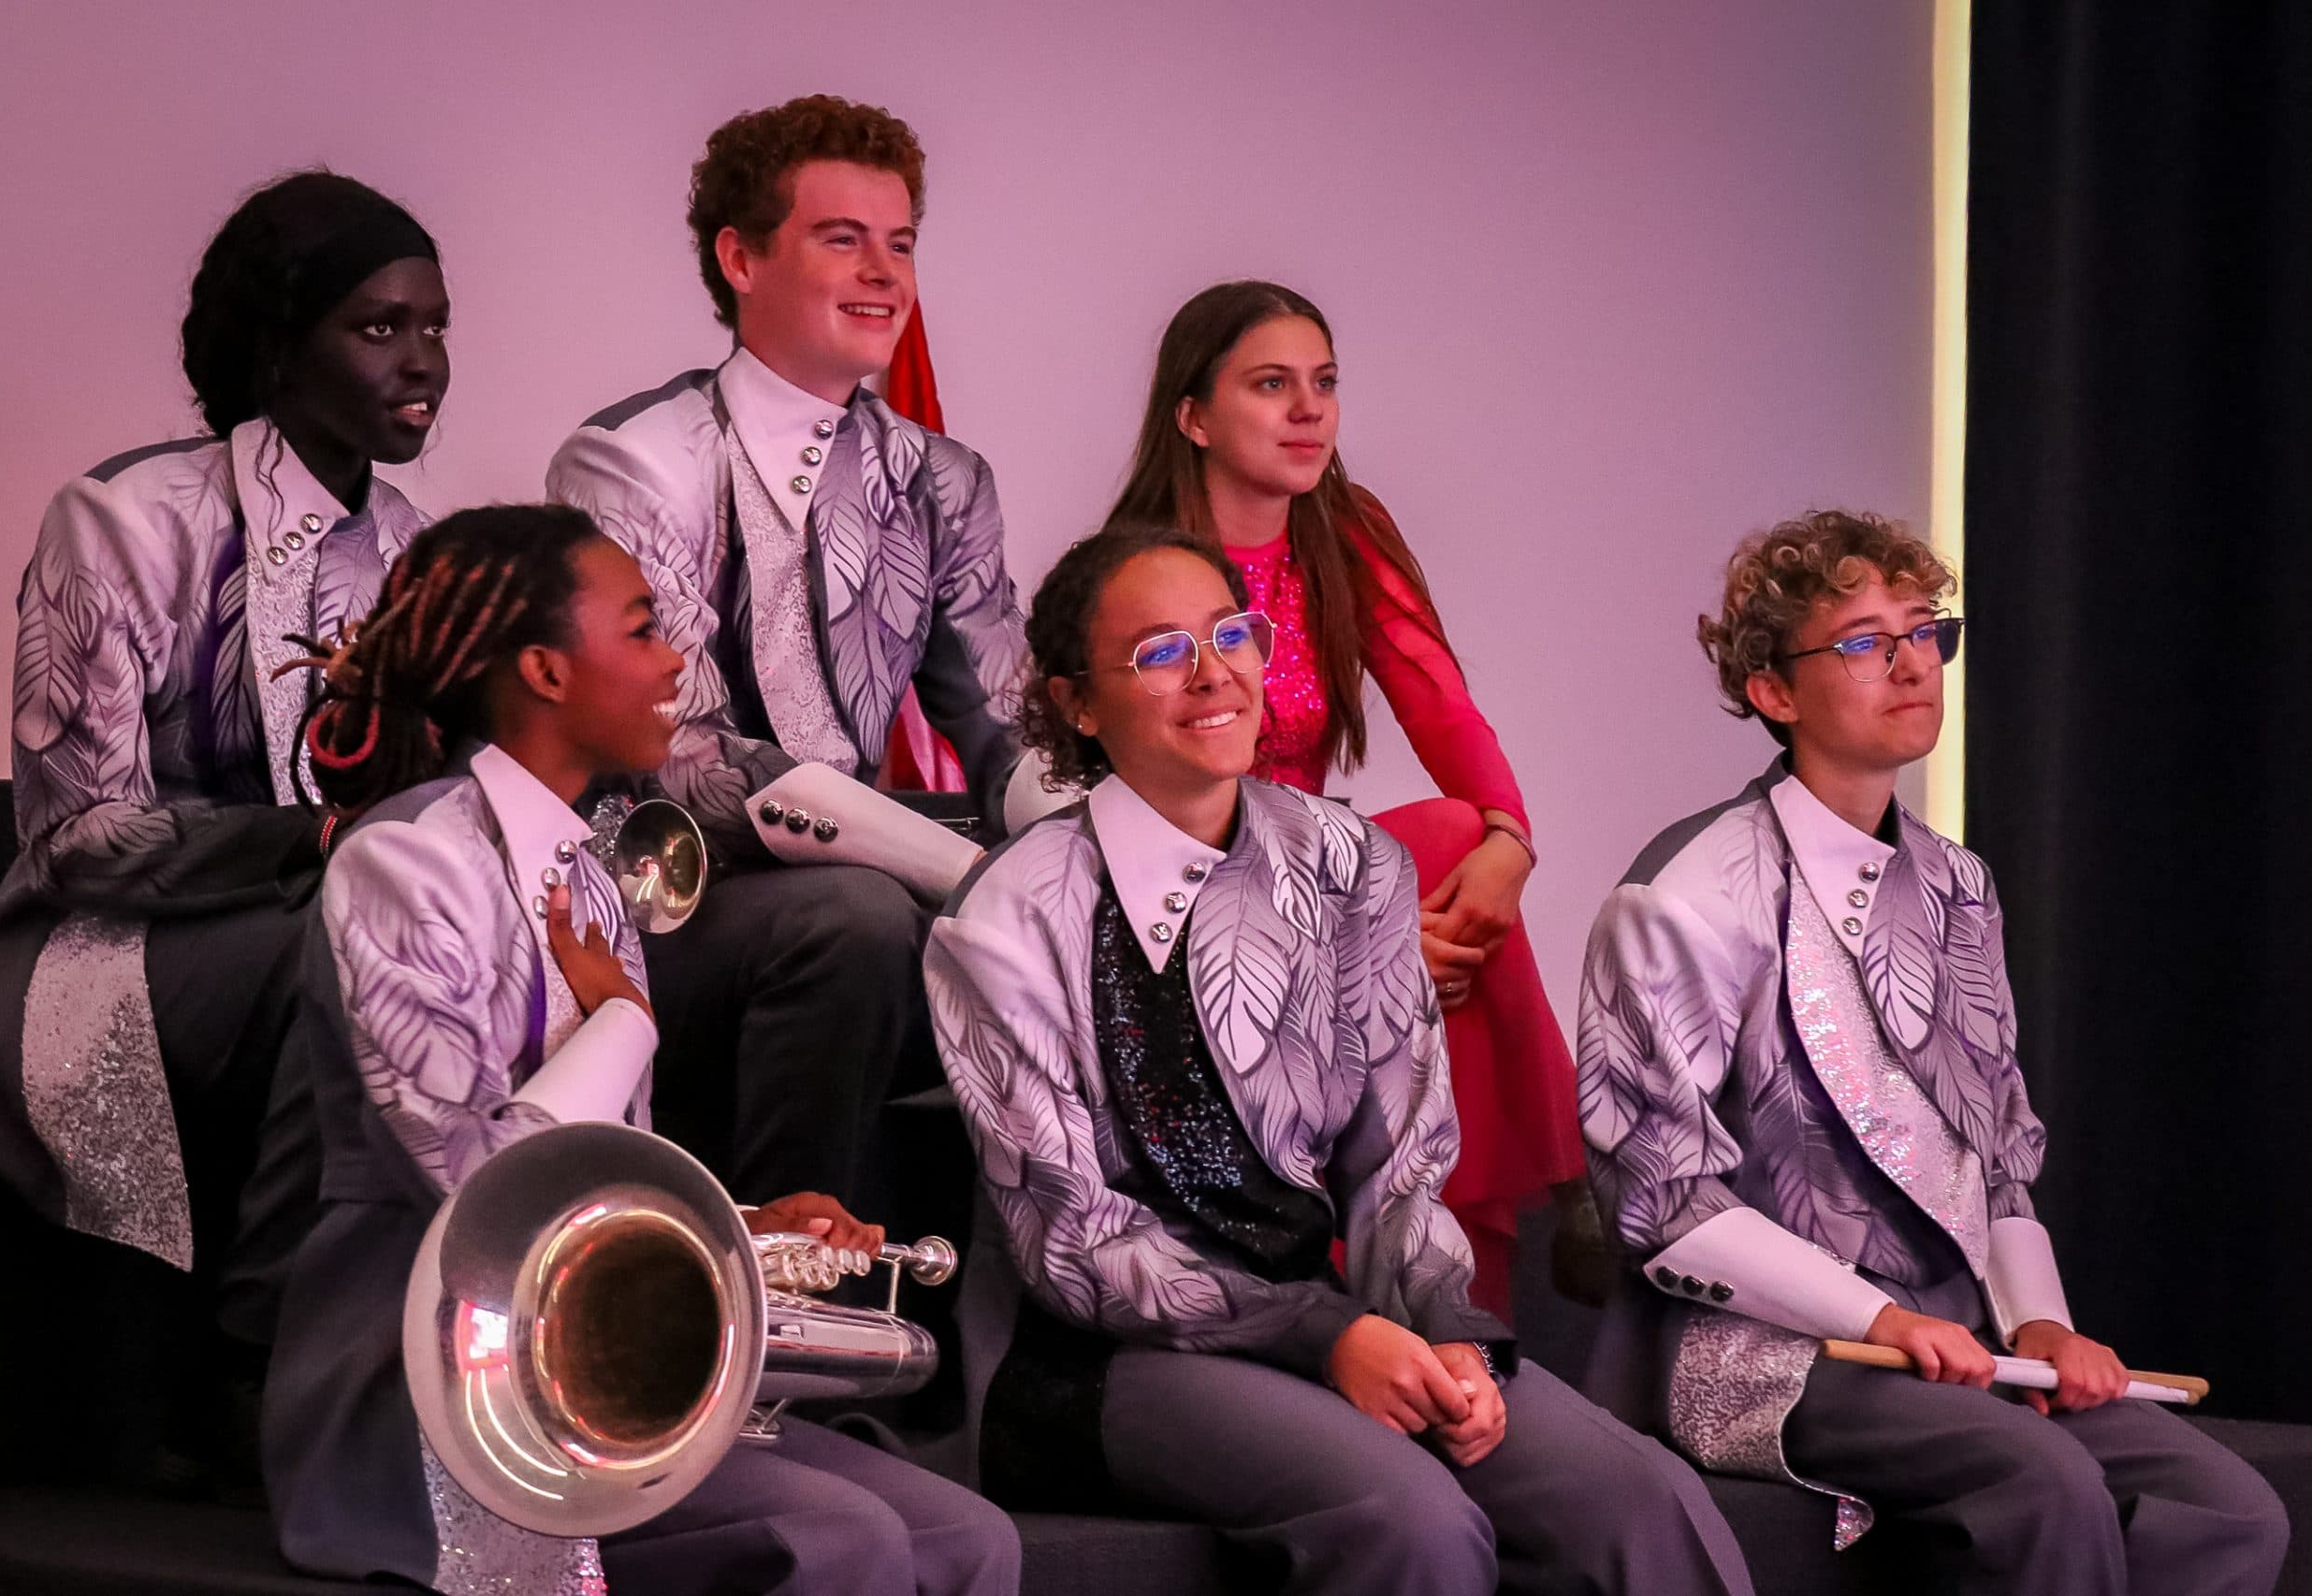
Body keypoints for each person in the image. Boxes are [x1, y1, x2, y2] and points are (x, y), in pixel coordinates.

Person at [925, 522, 1751, 1595]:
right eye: (1161, 651)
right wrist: (1328, 1334)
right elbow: (1075, 1243)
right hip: (1094, 1354)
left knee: (1630, 1496)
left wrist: (1442, 1328)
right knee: (1408, 1516)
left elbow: (1400, 1157)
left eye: (1231, 632)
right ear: (1079, 703)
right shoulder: (1005, 915)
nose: (1214, 670)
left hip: (1346, 1312)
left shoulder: (1349, 862)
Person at [263, 503, 1019, 1596]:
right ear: (545, 671)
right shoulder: (404, 864)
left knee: (972, 1541)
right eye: (641, 628)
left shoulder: (594, 872)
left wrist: (750, 1228)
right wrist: (623, 1020)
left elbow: (607, 1186)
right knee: (840, 1541)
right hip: (437, 1393)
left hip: (582, 1361)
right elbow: (480, 1196)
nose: (675, 660)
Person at [1577, 510, 2288, 1590]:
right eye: (1863, 640)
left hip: (1954, 1340)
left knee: (2225, 1504)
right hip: (1757, 1353)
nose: (1911, 661)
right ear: (1773, 690)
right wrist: (1885, 1317)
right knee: (2040, 1478)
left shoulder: (1958, 883)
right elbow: (1664, 1202)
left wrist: (2040, 1321)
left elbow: (1996, 1149)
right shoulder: (1681, 894)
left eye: (1922, 630)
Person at [0, 169, 445, 1365]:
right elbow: (75, 842)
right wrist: (309, 844)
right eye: (378, 328)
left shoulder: (417, 549)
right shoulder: (122, 517)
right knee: (367, 937)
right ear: (276, 351)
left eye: (434, 327)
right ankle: (266, 1347)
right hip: (82, 955)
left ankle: (415, 1349)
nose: (422, 361)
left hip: (306, 923)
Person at [547, 94, 1043, 1212]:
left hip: (861, 877)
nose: (884, 273)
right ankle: (786, 1303)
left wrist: (1088, 861)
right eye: (842, 238)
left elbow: (1012, 731)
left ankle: (1050, 1352)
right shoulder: (630, 460)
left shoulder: (943, 480)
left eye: (901, 242)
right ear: (739, 258)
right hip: (654, 903)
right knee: (861, 922)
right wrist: (971, 876)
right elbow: (684, 757)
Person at [1106, 282, 1589, 1312]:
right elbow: (1151, 814)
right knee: (1403, 920)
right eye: (1270, 384)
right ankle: (1549, 1198)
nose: (1308, 410)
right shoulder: (1143, 572)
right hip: (1199, 900)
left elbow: (1442, 709)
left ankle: (1475, 1275)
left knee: (1456, 833)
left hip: (1323, 866)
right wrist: (1354, 933)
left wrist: (1510, 838)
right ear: (1192, 416)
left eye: (1323, 383)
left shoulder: (1344, 530)